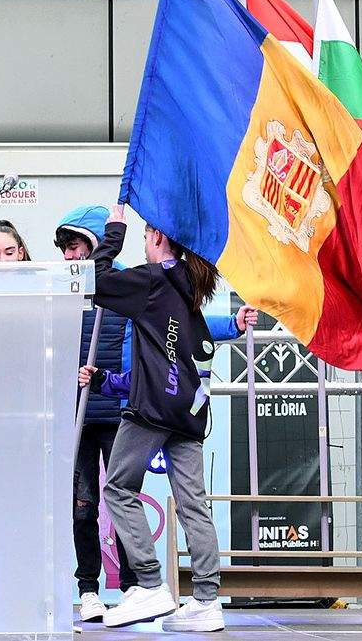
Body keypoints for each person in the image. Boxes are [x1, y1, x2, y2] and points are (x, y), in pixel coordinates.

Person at [57, 209, 254, 624]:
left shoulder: (151, 282)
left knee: (116, 488)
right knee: (192, 505)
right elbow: (172, 353)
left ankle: (148, 583)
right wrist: (108, 381)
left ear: (158, 238)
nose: (142, 245)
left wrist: (113, 231)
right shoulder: (188, 287)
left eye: (146, 237)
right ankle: (206, 600)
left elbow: (92, 277)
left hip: (151, 411)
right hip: (188, 411)